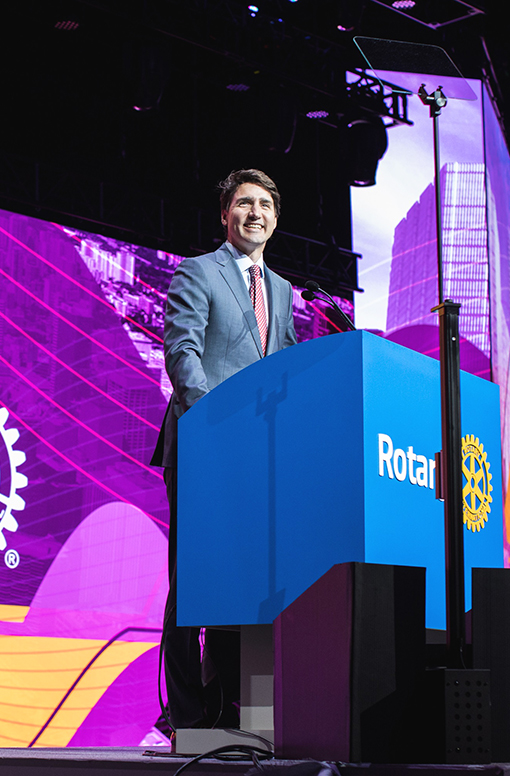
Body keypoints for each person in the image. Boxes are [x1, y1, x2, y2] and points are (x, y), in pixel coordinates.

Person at [150, 168, 298, 731]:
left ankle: (235, 707)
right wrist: (213, 420)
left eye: (264, 204)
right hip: (204, 443)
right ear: (225, 215)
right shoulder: (198, 272)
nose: (254, 212)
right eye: (243, 203)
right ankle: (186, 714)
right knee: (193, 579)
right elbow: (182, 350)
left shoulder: (282, 291)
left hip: (258, 460)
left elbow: (282, 368)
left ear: (276, 218)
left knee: (247, 579)